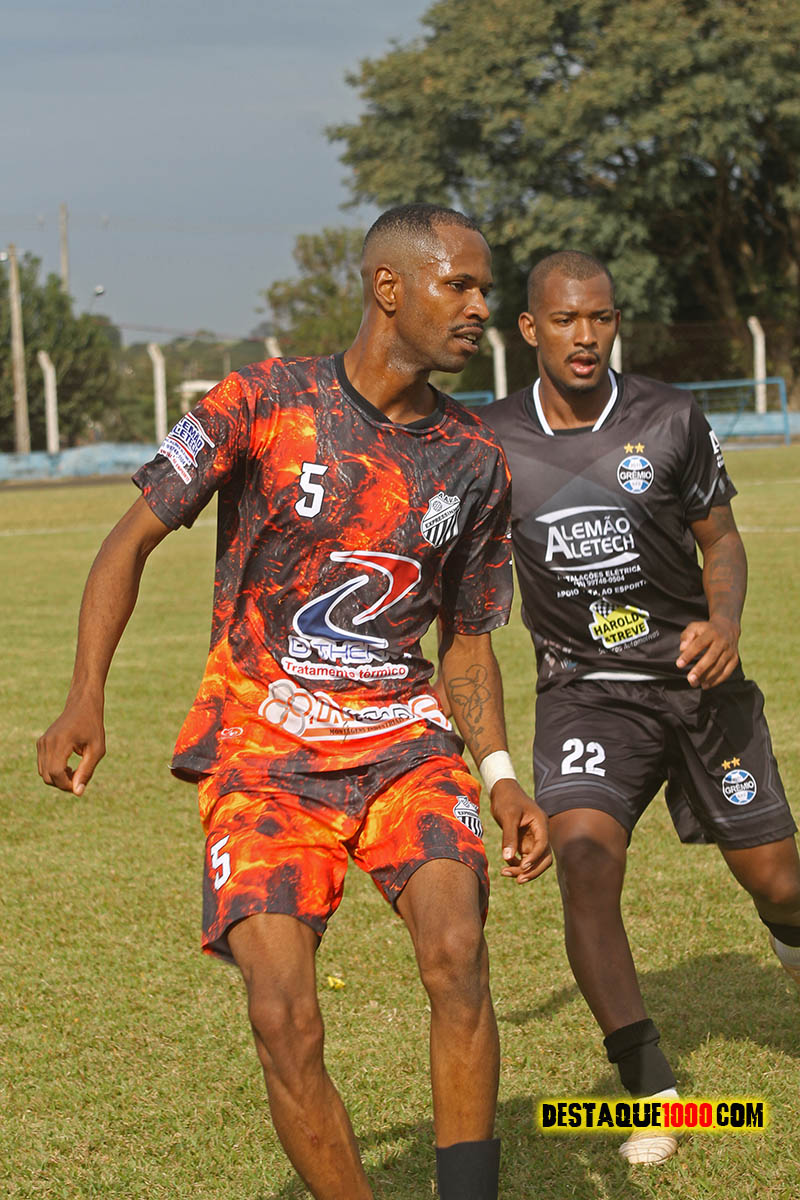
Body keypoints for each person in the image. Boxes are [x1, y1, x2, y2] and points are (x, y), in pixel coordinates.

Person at [36, 203, 551, 1200]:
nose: (480, 307)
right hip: (262, 757)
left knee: (456, 951)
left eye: (485, 289)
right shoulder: (262, 402)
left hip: (404, 746)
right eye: (459, 285)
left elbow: (468, 642)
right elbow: (129, 540)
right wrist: (83, 697)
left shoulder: (475, 458)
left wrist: (498, 777)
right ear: (388, 288)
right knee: (282, 1015)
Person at [482, 250, 800, 1165]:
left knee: (779, 883)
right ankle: (653, 1092)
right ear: (531, 329)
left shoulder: (670, 416)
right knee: (584, 861)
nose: (586, 336)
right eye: (566, 320)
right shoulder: (489, 441)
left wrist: (724, 622)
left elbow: (721, 538)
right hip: (586, 696)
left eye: (602, 318)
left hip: (698, 684)